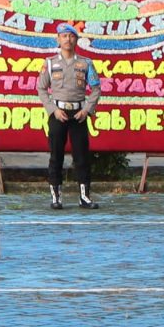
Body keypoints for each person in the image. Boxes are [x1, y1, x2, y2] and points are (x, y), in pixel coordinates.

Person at [39, 24, 103, 208]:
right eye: (64, 36)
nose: (68, 39)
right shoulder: (50, 63)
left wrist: (87, 110)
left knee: (82, 156)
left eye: (71, 36)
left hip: (78, 114)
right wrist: (53, 109)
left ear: (76, 40)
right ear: (58, 39)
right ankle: (56, 197)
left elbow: (96, 88)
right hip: (58, 113)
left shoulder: (86, 63)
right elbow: (41, 89)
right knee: (56, 155)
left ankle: (84, 197)